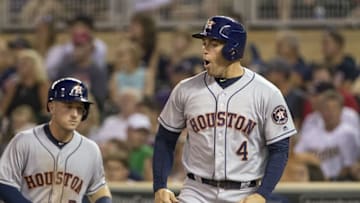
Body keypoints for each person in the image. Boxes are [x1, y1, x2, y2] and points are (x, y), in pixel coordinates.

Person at [153, 16, 297, 203]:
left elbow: (280, 149)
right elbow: (165, 139)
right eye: (204, 43)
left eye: (213, 44)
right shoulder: (185, 89)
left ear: (233, 48)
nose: (205, 50)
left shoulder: (266, 92)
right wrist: (159, 186)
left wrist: (262, 194)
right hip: (196, 192)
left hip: (245, 193)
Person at [0, 77, 112, 203]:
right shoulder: (24, 141)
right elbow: (4, 182)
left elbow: (98, 188)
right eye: (69, 106)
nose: (75, 114)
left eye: (80, 108)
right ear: (52, 107)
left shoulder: (90, 149)